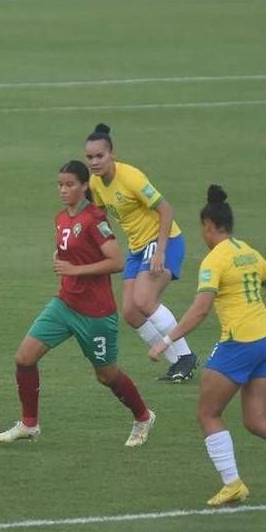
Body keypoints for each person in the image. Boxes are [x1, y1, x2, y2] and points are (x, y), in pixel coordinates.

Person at [149, 185, 266, 505]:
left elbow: (201, 309)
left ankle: (233, 484)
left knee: (208, 413)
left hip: (241, 341)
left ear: (208, 226)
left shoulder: (214, 260)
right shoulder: (248, 251)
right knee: (257, 418)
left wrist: (166, 341)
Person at [0, 160, 155, 447]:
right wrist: (61, 260)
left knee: (106, 375)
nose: (63, 190)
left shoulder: (95, 219)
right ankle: (29, 424)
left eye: (69, 184)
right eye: (60, 184)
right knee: (24, 359)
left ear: (84, 186)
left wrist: (75, 270)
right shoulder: (61, 218)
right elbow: (70, 254)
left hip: (96, 313)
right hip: (65, 304)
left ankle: (143, 417)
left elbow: (117, 261)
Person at [85, 123, 199, 382]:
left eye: (100, 156)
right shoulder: (95, 183)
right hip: (137, 248)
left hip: (163, 240)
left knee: (144, 300)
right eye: (90, 157)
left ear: (112, 153)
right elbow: (100, 215)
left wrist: (160, 252)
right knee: (130, 312)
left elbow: (166, 209)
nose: (95, 162)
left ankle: (186, 356)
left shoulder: (132, 178)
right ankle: (178, 362)